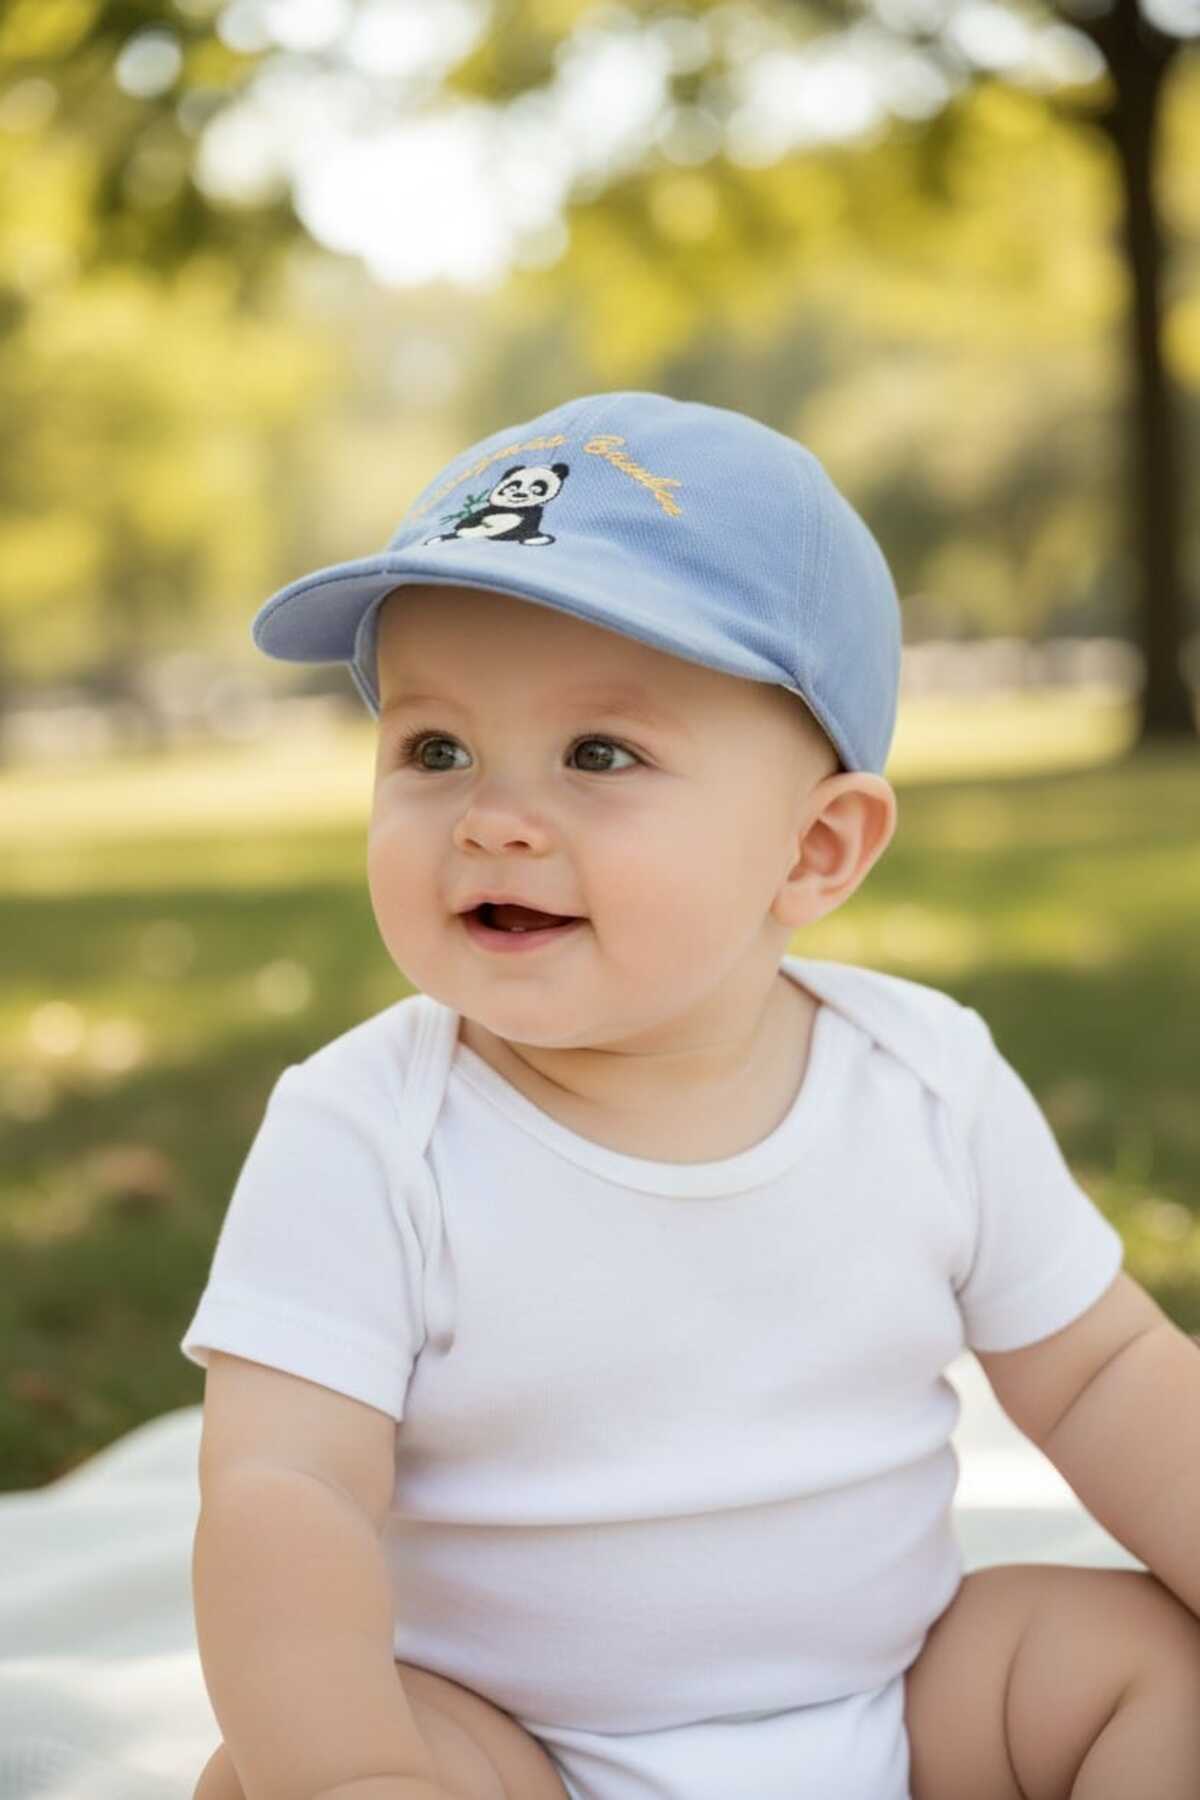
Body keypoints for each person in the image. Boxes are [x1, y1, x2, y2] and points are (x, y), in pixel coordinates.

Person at [183, 392, 1200, 1800]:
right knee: (262, 1774)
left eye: (599, 754)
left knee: (1151, 1666)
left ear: (817, 849)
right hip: (513, 1744)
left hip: (900, 1710)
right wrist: (360, 1773)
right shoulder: (365, 1129)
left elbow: (1106, 1376)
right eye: (434, 750)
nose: (492, 818)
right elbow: (285, 1490)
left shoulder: (924, 1080)